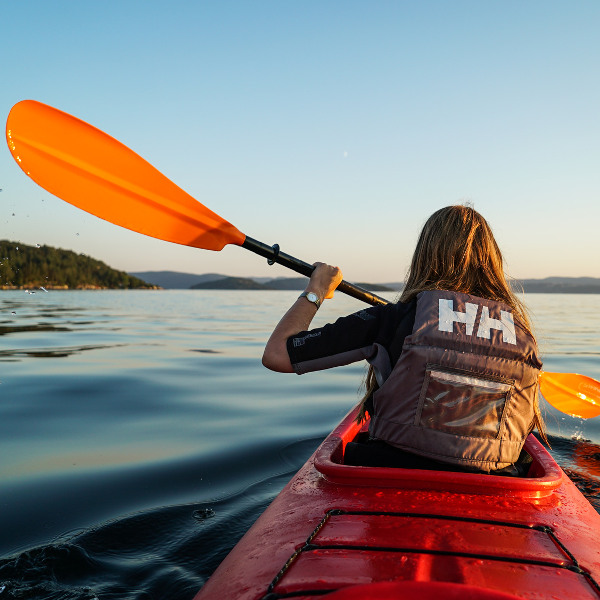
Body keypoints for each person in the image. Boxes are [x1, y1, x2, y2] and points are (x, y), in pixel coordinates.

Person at [262, 205, 546, 474]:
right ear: (492, 262)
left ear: (424, 256)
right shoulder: (521, 333)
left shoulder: (394, 321)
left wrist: (316, 290)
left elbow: (277, 354)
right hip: (496, 486)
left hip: (389, 475)